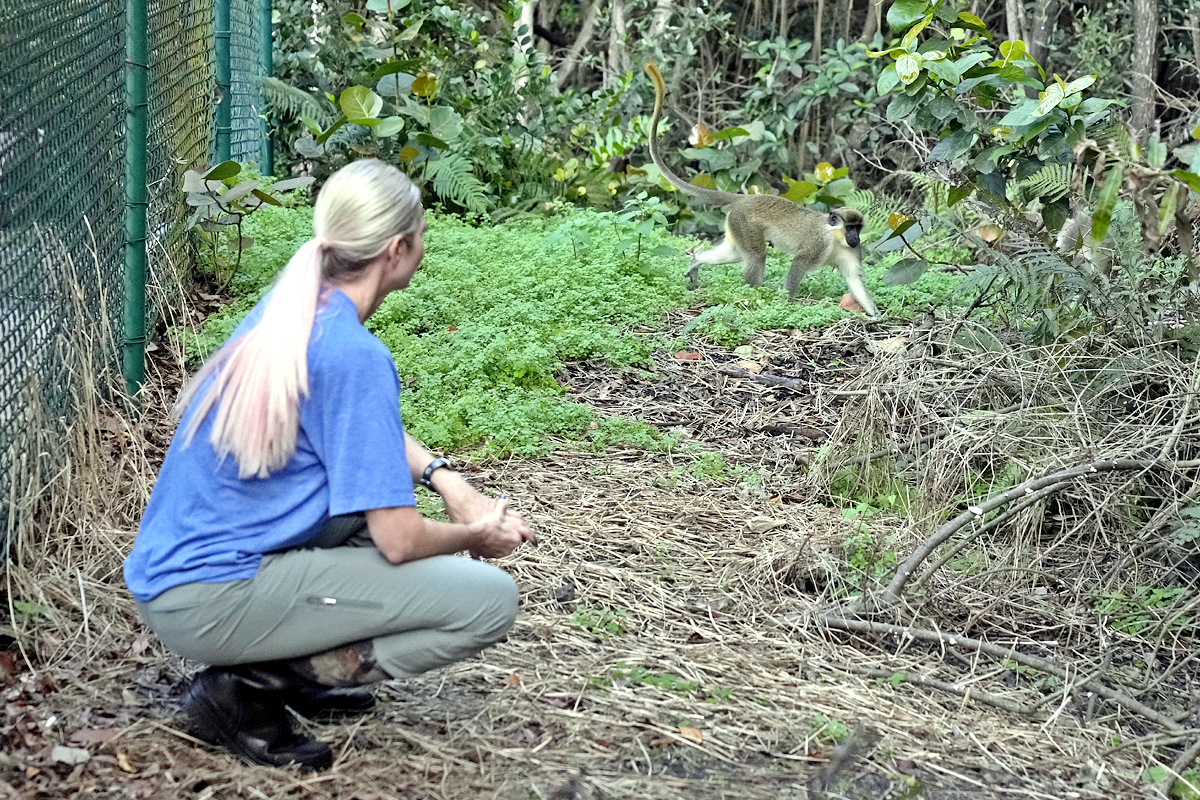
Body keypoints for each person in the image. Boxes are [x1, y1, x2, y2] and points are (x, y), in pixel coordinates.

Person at [123, 158, 534, 771]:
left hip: (177, 578)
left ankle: (287, 657)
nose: (424, 246)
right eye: (422, 234)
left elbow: (358, 429)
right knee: (487, 600)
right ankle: (257, 687)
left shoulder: (297, 305)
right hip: (212, 597)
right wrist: (478, 534)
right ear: (398, 249)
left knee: (371, 518)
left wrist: (446, 480)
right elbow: (399, 542)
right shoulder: (354, 354)